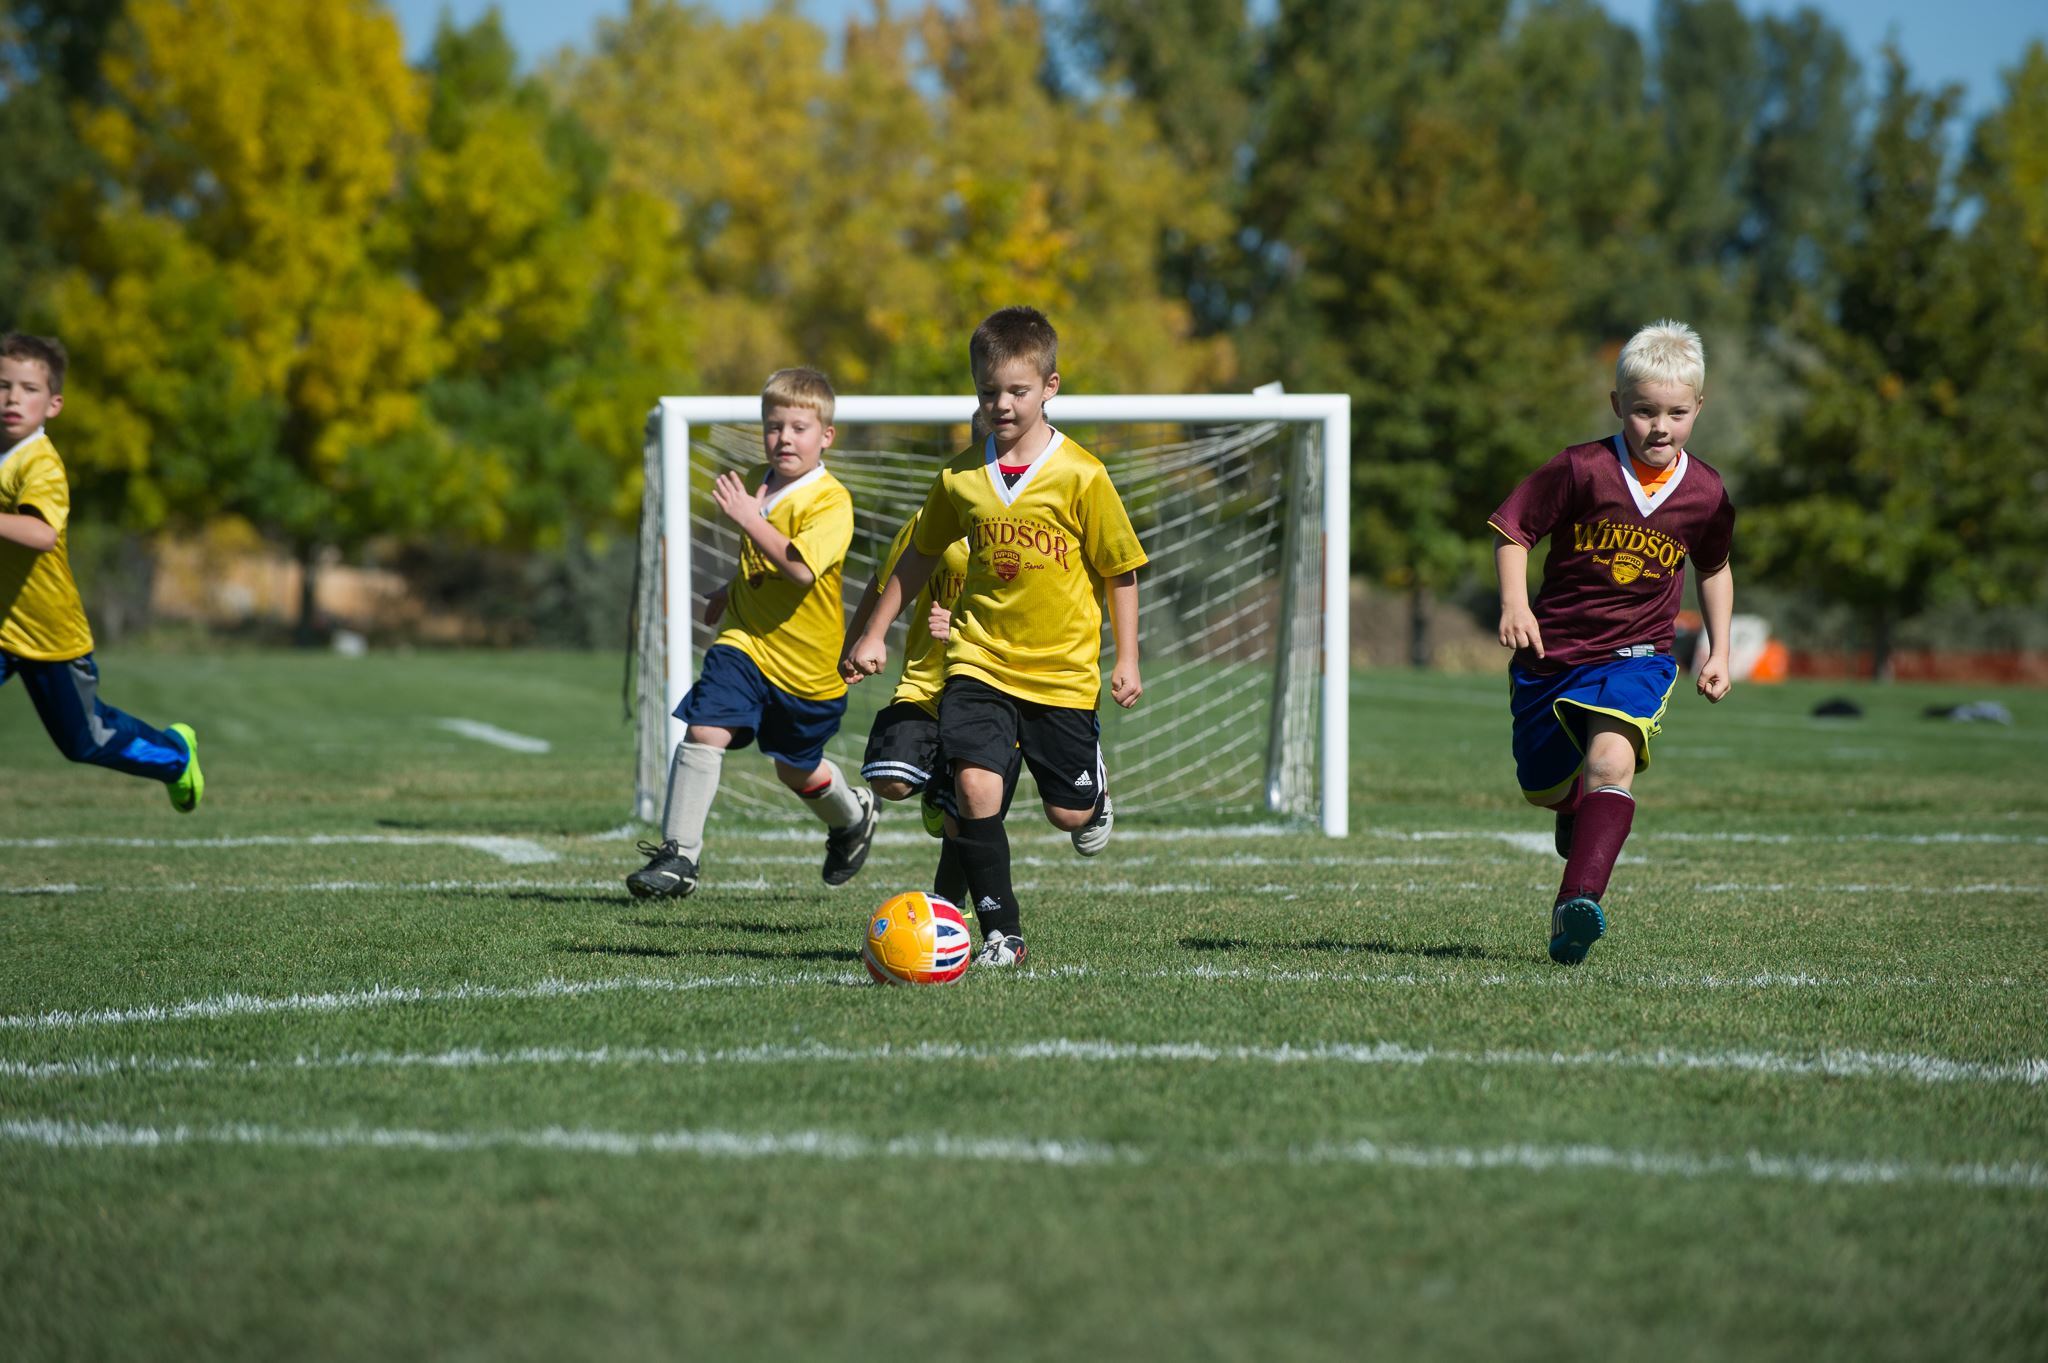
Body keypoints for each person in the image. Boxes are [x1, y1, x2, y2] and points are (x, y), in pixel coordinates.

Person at [841, 306, 1145, 967]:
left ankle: (1091, 786)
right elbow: (918, 556)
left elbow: (1120, 571)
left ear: (1050, 387)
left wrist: (1128, 658)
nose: (1002, 404)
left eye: (1018, 391)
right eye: (989, 391)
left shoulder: (1083, 475)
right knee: (976, 785)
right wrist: (873, 631)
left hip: (1062, 672)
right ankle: (1002, 933)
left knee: (1069, 815)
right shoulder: (957, 477)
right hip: (977, 659)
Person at [1489, 319, 1735, 965]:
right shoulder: (1580, 468)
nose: (1661, 426)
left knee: (1611, 765)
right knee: (1542, 786)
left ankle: (1577, 904)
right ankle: (1572, 808)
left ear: (1698, 409)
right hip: (1553, 657)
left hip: (1640, 658)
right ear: (1617, 405)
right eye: (1645, 411)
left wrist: (1720, 648)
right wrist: (1516, 603)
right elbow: (1513, 532)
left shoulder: (1706, 491)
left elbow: (1715, 569)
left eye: (1677, 413)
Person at [628, 366, 876, 899]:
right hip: (745, 644)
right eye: (773, 426)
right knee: (705, 730)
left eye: (798, 427)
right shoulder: (759, 484)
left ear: (825, 436)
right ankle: (679, 857)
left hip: (808, 669)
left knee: (796, 771)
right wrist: (729, 586)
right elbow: (762, 555)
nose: (784, 438)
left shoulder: (831, 501)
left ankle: (852, 818)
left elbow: (801, 567)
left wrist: (747, 517)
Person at [0, 332, 203, 811]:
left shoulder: (40, 464)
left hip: (48, 636)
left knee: (84, 740)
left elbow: (41, 534)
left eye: (29, 389)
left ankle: (175, 757)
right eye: (3, 384)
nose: (12, 397)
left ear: (54, 405)